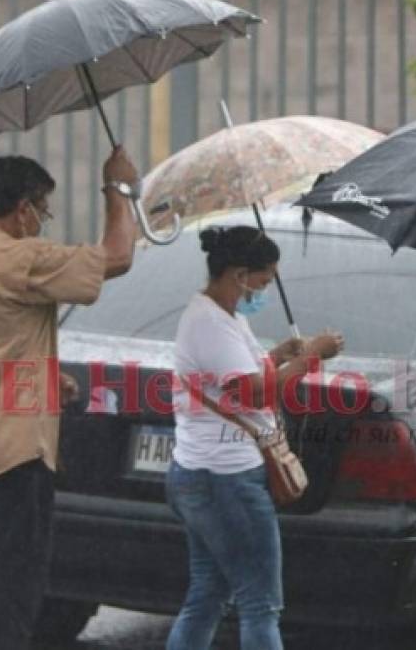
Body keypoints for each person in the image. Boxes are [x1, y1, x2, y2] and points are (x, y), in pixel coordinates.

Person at [0, 147, 140, 650]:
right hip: (13, 461)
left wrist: (44, 383)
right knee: (7, 613)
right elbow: (118, 256)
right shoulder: (19, 258)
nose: (42, 223)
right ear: (23, 209)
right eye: (43, 211)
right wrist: (117, 189)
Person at [166, 226, 344, 650]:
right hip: (226, 480)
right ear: (240, 274)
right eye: (263, 281)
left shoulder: (223, 316)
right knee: (260, 605)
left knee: (209, 594)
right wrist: (310, 358)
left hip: (204, 475)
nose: (263, 290)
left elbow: (238, 375)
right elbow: (252, 392)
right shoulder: (209, 322)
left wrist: (279, 355)